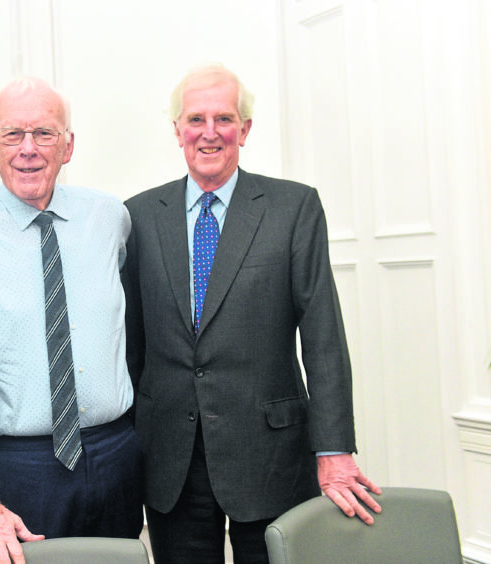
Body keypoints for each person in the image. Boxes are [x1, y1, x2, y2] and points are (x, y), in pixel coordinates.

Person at [121, 63, 382, 564]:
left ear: (245, 129)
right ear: (177, 130)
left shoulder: (293, 208)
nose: (210, 132)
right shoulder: (138, 217)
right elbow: (131, 344)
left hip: (269, 456)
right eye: (196, 118)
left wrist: (333, 450)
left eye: (224, 118)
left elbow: (323, 336)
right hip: (171, 458)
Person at [0, 76, 143, 564]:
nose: (29, 149)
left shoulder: (109, 217)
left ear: (69, 145)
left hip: (116, 455)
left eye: (45, 133)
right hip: (18, 468)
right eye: (12, 134)